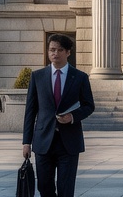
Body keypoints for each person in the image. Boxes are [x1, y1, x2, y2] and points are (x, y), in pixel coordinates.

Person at [22, 34, 96, 197]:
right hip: (43, 141)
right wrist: (26, 142)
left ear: (68, 52)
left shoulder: (80, 77)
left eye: (59, 50)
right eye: (52, 50)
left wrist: (73, 116)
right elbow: (30, 111)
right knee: (44, 187)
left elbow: (89, 105)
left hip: (68, 142)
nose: (55, 53)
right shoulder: (37, 76)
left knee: (66, 189)